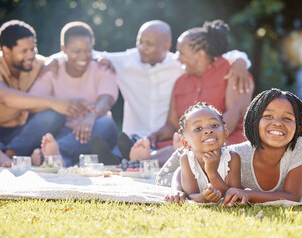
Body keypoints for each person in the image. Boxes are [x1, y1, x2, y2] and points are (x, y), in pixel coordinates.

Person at [95, 20, 253, 161]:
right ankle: (141, 158)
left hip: (227, 141)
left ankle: (141, 159)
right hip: (187, 142)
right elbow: (172, 124)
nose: (177, 58)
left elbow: (234, 114)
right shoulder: (180, 80)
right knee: (169, 150)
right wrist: (152, 137)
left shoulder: (233, 72)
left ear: (200, 54)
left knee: (178, 153)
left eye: (182, 53)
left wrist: (201, 141)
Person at [165, 88, 302, 204]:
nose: (278, 122)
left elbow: (293, 196)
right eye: (268, 116)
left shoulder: (299, 145)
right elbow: (184, 168)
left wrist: (248, 194)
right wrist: (177, 190)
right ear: (254, 121)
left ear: (298, 128)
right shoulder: (237, 155)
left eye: (287, 118)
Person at [0, 20, 93, 168]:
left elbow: (65, 58)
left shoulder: (39, 64)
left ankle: (11, 154)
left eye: (33, 48)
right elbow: (4, 96)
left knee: (55, 115)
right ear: (6, 50)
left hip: (23, 132)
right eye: (24, 51)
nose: (31, 55)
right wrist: (52, 102)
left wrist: (101, 59)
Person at [29, 21, 119, 167]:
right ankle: (62, 160)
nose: (83, 56)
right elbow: (33, 102)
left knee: (106, 124)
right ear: (64, 49)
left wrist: (91, 117)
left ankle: (54, 155)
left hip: (96, 128)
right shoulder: (53, 70)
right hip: (64, 131)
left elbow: (107, 99)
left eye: (88, 50)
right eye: (76, 51)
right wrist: (58, 104)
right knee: (55, 131)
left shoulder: (103, 68)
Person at [169, 102, 241, 203]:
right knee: (173, 179)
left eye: (215, 125)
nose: (208, 131)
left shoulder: (232, 157)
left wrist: (212, 171)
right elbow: (190, 195)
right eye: (198, 128)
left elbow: (232, 195)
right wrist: (203, 197)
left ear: (225, 135)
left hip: (181, 173)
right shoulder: (186, 159)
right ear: (186, 143)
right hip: (172, 172)